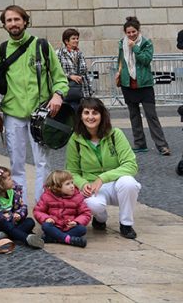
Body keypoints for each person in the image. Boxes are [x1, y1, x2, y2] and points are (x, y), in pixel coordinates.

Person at [0, 5, 68, 202]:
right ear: (4, 25)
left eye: (17, 19)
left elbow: (60, 77)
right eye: (9, 20)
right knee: (16, 164)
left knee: (42, 163)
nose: (13, 24)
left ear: (25, 21)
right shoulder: (0, 51)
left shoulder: (42, 46)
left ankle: (43, 206)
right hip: (13, 114)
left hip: (40, 115)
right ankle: (20, 206)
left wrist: (58, 95)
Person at [66, 97, 141, 239]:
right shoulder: (75, 140)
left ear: (102, 115)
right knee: (94, 205)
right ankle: (100, 219)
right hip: (91, 187)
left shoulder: (115, 134)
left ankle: (126, 224)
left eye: (95, 113)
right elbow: (72, 171)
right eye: (86, 113)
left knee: (129, 182)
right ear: (80, 116)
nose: (90, 117)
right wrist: (82, 184)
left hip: (116, 184)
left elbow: (131, 165)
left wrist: (102, 178)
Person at [116, 16, 169, 155]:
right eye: (128, 32)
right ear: (125, 33)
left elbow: (146, 60)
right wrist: (119, 73)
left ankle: (162, 145)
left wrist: (135, 48)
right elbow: (120, 61)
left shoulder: (146, 43)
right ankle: (140, 144)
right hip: (128, 84)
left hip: (144, 85)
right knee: (134, 116)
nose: (131, 35)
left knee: (151, 116)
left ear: (138, 31)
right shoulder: (122, 43)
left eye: (134, 32)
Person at [0, 165, 43, 248]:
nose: (12, 180)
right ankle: (26, 238)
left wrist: (19, 214)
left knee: (30, 222)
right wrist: (8, 217)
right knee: (6, 224)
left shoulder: (14, 191)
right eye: (9, 179)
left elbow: (22, 206)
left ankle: (6, 235)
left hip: (13, 223)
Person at [34, 169, 92, 247]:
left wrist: (76, 222)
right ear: (57, 187)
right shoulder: (47, 196)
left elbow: (86, 213)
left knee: (82, 229)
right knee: (46, 226)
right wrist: (46, 218)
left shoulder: (77, 197)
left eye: (72, 182)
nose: (72, 186)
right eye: (67, 184)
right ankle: (68, 239)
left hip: (69, 227)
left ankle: (53, 238)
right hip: (54, 226)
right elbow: (38, 211)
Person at [57, 28, 92, 108]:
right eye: (73, 38)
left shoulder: (80, 54)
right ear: (66, 41)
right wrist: (70, 76)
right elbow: (55, 72)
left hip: (80, 92)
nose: (76, 40)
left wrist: (89, 93)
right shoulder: (59, 53)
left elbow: (85, 74)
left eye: (77, 38)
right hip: (65, 91)